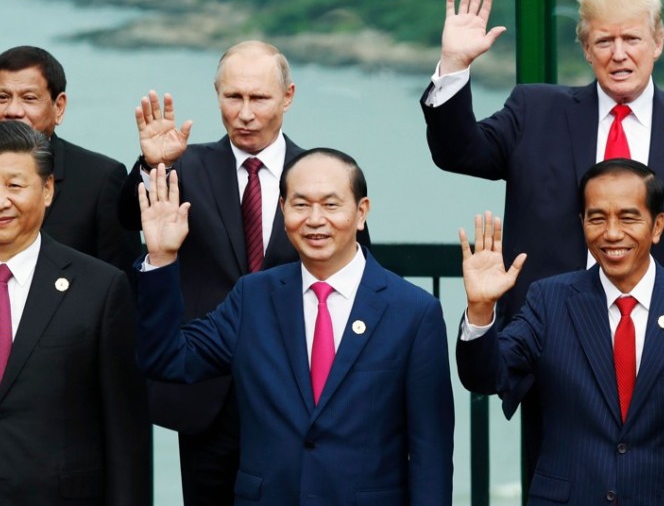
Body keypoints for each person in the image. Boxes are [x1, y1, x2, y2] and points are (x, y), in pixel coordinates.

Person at [421, 0, 664, 360]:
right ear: (586, 50)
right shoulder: (535, 111)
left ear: (658, 43)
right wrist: (455, 66)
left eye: (632, 39)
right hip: (552, 349)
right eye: (605, 41)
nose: (619, 54)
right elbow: (459, 153)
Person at [118, 41, 364, 506]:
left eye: (259, 98)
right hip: (206, 395)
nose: (245, 113)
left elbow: (355, 266)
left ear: (287, 97)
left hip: (297, 391)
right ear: (216, 95)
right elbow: (130, 216)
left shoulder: (320, 176)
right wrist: (153, 163)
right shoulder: (182, 164)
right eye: (233, 98)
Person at [134, 150, 454, 504]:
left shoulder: (413, 312)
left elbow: (431, 454)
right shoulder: (252, 298)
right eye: (301, 205)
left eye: (331, 205)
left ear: (361, 212)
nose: (315, 220)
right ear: (283, 210)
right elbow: (167, 358)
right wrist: (162, 259)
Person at [457, 159, 664, 504]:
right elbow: (488, 376)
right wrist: (480, 308)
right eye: (597, 218)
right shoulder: (550, 300)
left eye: (628, 217)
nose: (611, 233)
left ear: (657, 226)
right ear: (582, 224)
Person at [0, 120, 150, 505]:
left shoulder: (99, 288)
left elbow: (125, 433)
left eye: (15, 186)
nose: (2, 200)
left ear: (47, 190)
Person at [0, 45, 139, 270]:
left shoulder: (100, 179)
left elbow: (122, 285)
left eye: (29, 98)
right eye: (2, 97)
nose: (13, 110)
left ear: (59, 107)